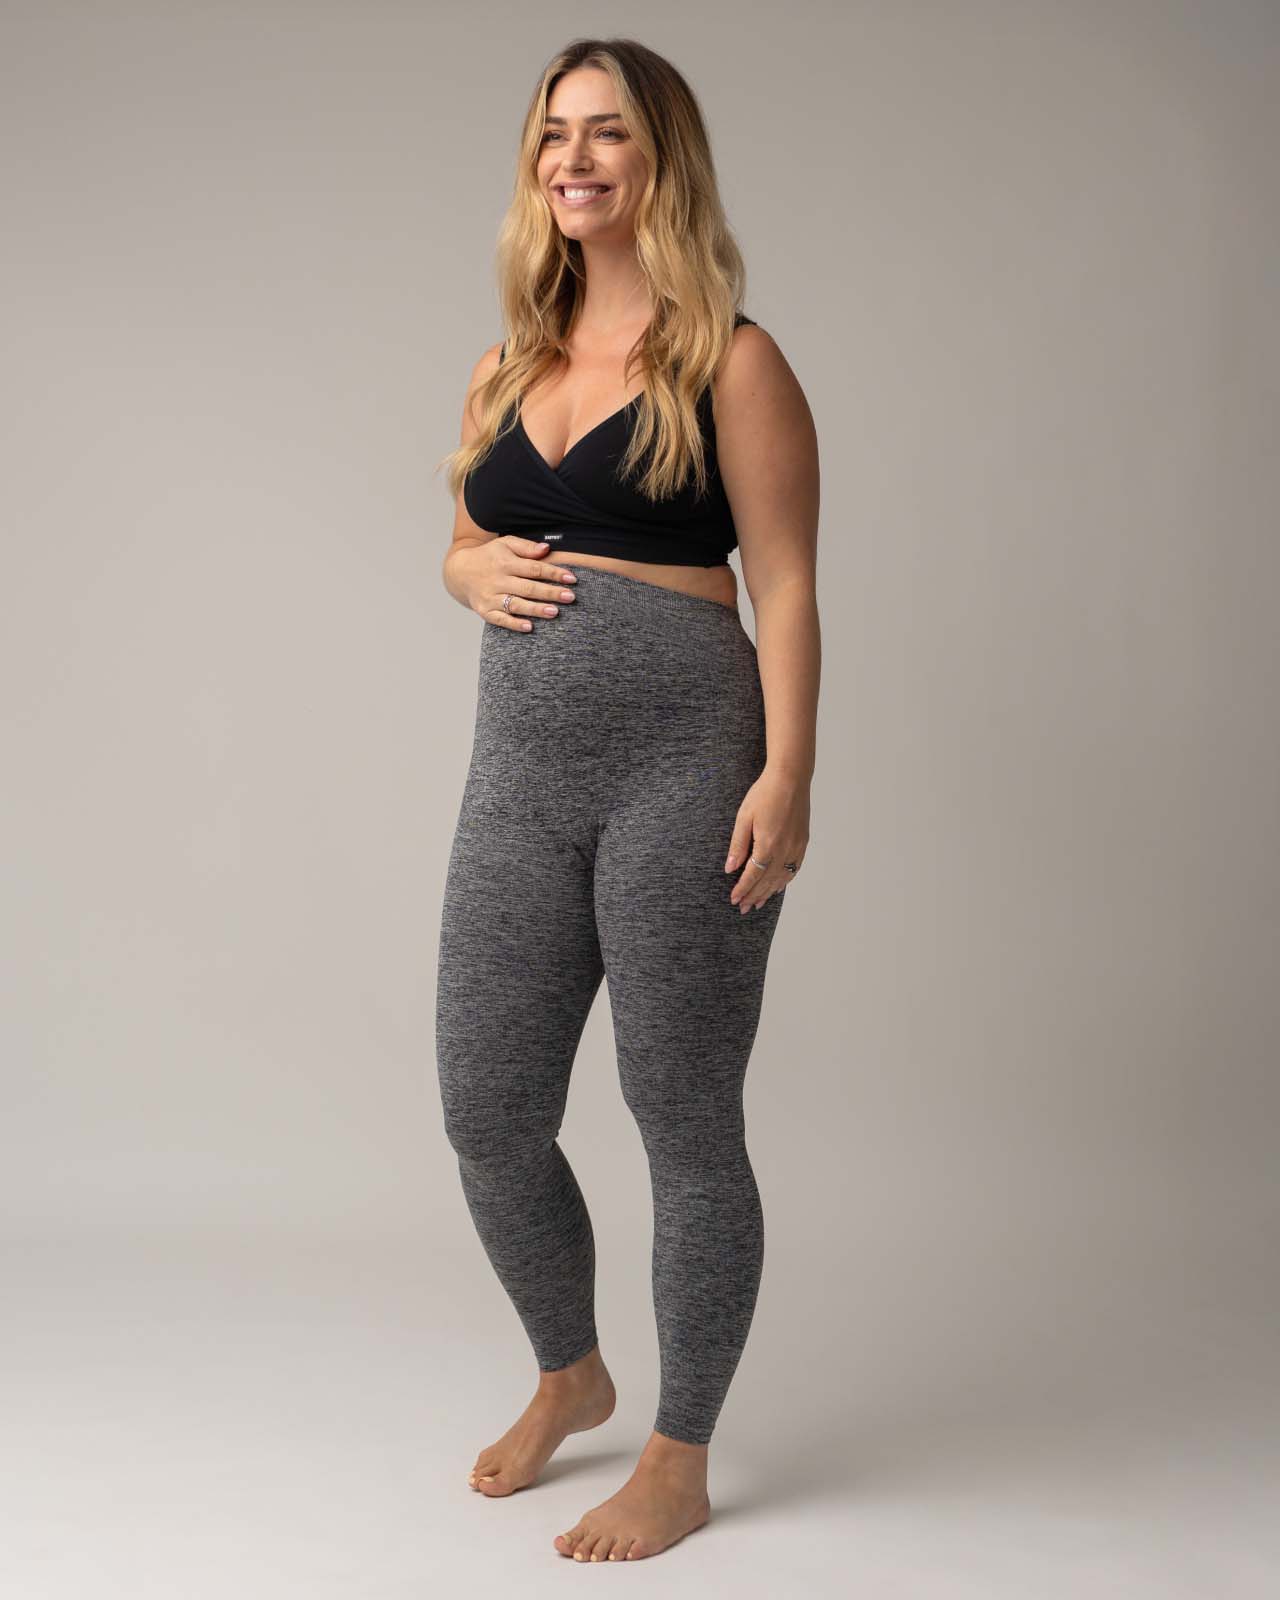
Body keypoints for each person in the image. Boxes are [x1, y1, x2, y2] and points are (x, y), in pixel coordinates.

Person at [434, 37, 820, 1563]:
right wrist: (463, 570)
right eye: (554, 134)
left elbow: (784, 582)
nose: (574, 159)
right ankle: (570, 1372)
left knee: (681, 1115)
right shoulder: (506, 361)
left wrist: (787, 773)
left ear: (662, 159)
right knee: (487, 1110)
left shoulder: (732, 358)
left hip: (685, 767)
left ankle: (679, 1451)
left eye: (606, 133)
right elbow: (462, 542)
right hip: (517, 777)